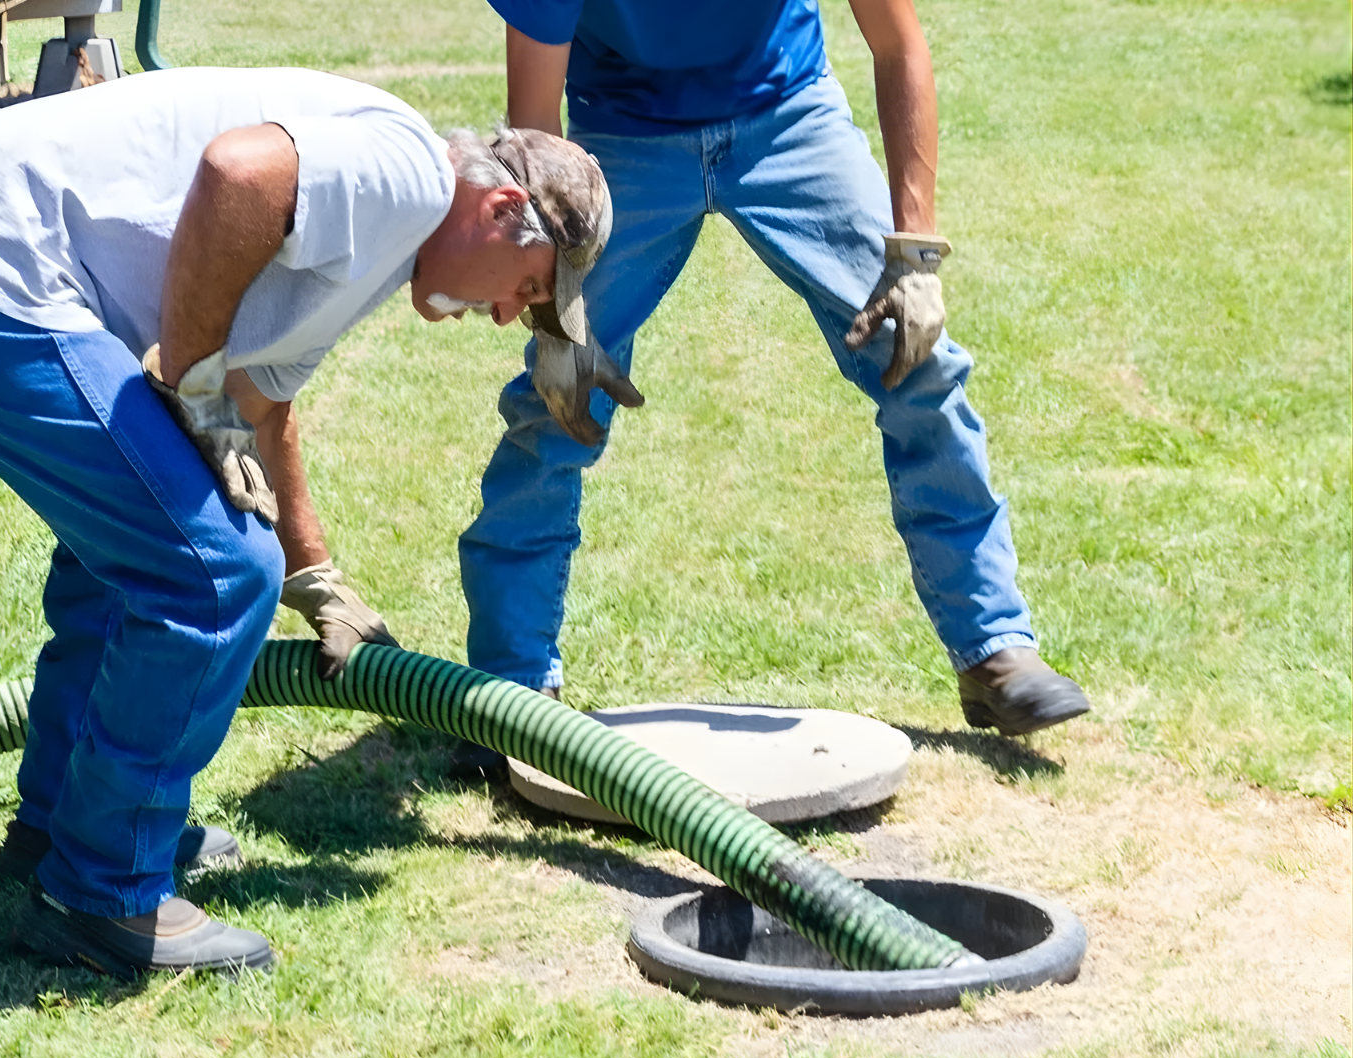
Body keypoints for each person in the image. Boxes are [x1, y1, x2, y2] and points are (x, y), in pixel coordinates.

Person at [0, 66, 613, 975]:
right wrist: (188, 379)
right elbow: (240, 173)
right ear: (501, 208)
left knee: (134, 550)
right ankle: (104, 887)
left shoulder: (386, 237)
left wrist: (313, 573)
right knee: (209, 572)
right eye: (524, 288)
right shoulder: (409, 172)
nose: (499, 315)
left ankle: (60, 822)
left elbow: (260, 404)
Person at [454, 0, 1089, 772]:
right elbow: (537, 142)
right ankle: (511, 692)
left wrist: (914, 253)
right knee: (557, 400)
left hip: (787, 114)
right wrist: (557, 317)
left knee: (919, 362)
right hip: (622, 139)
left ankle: (997, 652)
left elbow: (899, 45)